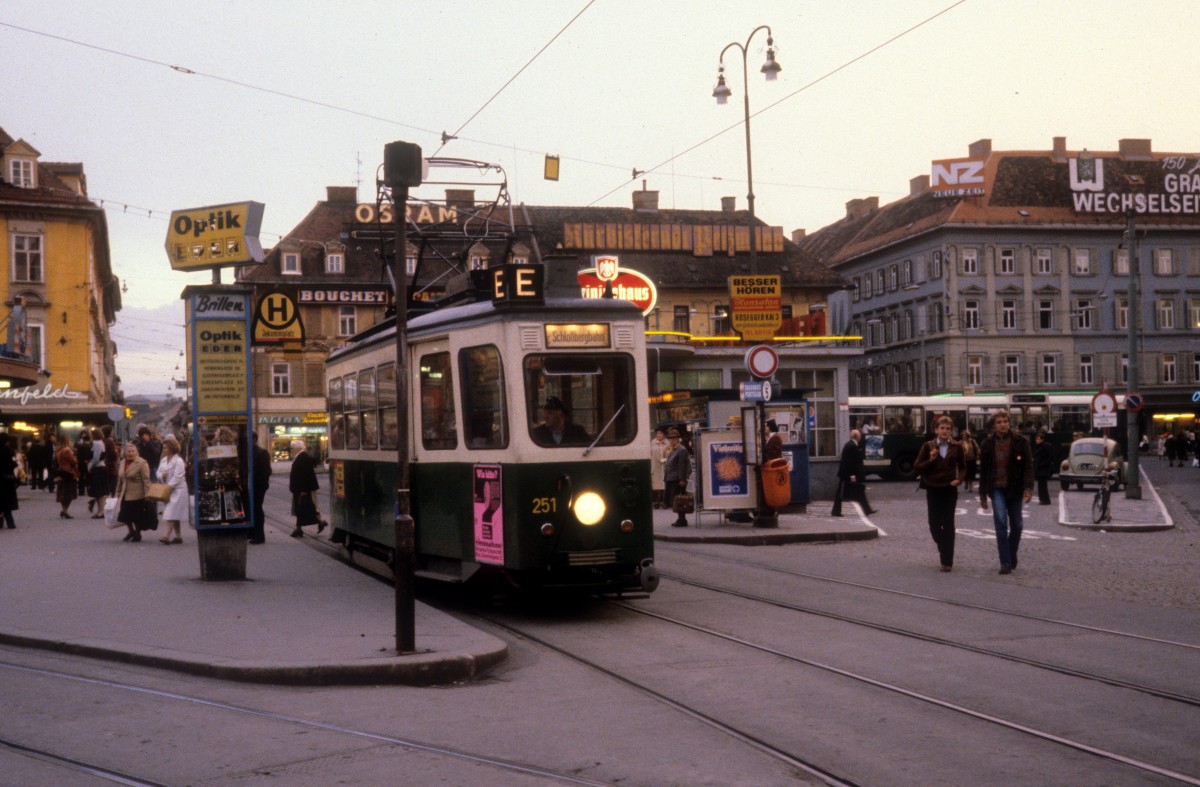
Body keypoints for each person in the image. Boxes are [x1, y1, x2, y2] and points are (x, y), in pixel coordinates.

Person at [978, 408, 1034, 575]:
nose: (1003, 425)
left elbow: (1028, 467)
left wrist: (1028, 488)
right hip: (996, 488)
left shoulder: (1021, 441)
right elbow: (983, 471)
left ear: (1009, 423)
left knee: (1017, 525)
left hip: (1014, 488)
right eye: (999, 422)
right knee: (1001, 522)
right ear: (994, 425)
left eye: (1005, 421)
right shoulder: (987, 444)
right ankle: (1005, 562)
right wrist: (982, 495)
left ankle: (1011, 552)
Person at [914, 416, 966, 572]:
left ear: (951, 431)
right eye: (942, 428)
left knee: (949, 524)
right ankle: (944, 547)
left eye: (948, 429)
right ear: (936, 430)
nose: (945, 431)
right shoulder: (927, 446)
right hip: (933, 489)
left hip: (949, 489)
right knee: (934, 525)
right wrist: (930, 460)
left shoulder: (957, 447)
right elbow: (917, 467)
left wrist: (958, 480)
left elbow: (963, 467)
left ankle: (947, 561)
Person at [115, 442, 154, 542]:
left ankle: (137, 533)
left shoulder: (142, 463)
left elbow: (146, 480)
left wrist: (148, 494)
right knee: (124, 515)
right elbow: (120, 479)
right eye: (128, 451)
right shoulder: (122, 462)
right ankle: (131, 531)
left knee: (136, 517)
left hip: (137, 494)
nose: (130, 453)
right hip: (125, 493)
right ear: (125, 452)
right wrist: (117, 493)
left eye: (133, 451)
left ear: (136, 452)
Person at [832, 429, 876, 517]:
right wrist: (852, 475)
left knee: (858, 491)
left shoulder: (850, 444)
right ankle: (836, 511)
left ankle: (867, 510)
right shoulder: (852, 446)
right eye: (859, 435)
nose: (860, 437)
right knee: (841, 493)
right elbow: (850, 462)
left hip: (846, 473)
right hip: (847, 474)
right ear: (856, 436)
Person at [288, 439, 326, 538]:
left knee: (307, 508)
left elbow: (306, 475)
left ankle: (316, 523)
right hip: (299, 489)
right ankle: (300, 528)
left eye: (293, 448)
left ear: (298, 448)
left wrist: (304, 490)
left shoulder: (303, 457)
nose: (291, 450)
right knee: (302, 509)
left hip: (304, 490)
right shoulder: (300, 457)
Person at [156, 435, 188, 544]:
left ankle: (166, 536)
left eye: (166, 448)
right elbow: (158, 473)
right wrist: (162, 476)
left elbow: (178, 477)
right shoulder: (164, 460)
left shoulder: (179, 461)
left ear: (172, 448)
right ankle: (178, 536)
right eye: (163, 448)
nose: (164, 450)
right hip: (168, 490)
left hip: (178, 490)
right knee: (175, 512)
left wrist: (168, 486)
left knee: (171, 512)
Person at [663, 428, 691, 527]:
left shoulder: (681, 450)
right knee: (676, 499)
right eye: (670, 439)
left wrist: (682, 479)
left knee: (680, 499)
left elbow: (682, 466)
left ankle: (682, 519)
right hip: (672, 478)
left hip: (677, 479)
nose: (671, 441)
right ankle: (680, 519)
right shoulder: (674, 449)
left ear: (678, 439)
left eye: (673, 439)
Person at [250, 432, 272, 544]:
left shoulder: (261, 452)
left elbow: (267, 471)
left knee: (257, 509)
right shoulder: (248, 452)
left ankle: (259, 536)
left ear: (254, 439)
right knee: (253, 509)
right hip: (251, 486)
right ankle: (252, 533)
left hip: (258, 486)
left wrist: (259, 482)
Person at [87, 428, 110, 519]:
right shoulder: (100, 443)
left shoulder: (97, 444)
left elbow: (96, 458)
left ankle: (100, 511)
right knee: (100, 492)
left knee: (99, 492)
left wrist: (90, 466)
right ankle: (100, 511)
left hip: (98, 468)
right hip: (101, 468)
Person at [54, 435, 79, 519]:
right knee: (69, 493)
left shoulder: (58, 450)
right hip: (69, 472)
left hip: (62, 472)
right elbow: (73, 461)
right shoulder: (67, 450)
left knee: (63, 493)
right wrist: (75, 458)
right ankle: (65, 511)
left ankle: (64, 510)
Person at [0, 435, 19, 529]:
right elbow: (10, 464)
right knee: (6, 503)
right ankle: (10, 523)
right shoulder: (6, 451)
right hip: (6, 479)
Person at [1033, 430, 1056, 505]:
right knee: (1041, 485)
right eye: (1036, 439)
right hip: (1040, 468)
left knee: (1043, 485)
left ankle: (1045, 500)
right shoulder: (1039, 446)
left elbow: (1050, 458)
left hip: (1043, 468)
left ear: (1042, 439)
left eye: (1038, 439)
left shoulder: (1045, 446)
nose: (1036, 440)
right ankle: (1043, 499)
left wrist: (1041, 464)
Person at [650, 428, 669, 509]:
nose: (659, 435)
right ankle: (657, 502)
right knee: (656, 485)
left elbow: (669, 453)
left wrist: (666, 459)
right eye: (658, 433)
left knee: (665, 485)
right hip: (656, 466)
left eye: (661, 433)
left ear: (664, 434)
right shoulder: (652, 443)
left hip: (664, 466)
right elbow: (650, 454)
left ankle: (665, 502)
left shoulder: (667, 443)